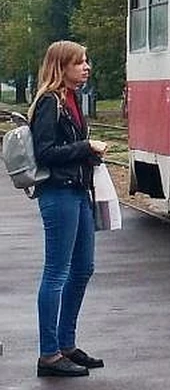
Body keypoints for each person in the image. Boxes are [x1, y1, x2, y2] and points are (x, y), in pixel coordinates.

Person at [28, 41, 108, 377]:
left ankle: (67, 345)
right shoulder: (49, 103)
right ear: (62, 67)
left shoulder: (72, 100)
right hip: (58, 194)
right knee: (57, 273)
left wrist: (88, 155)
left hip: (78, 192)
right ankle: (49, 355)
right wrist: (85, 146)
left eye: (87, 61)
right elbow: (45, 152)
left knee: (83, 268)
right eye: (80, 62)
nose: (86, 67)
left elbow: (67, 150)